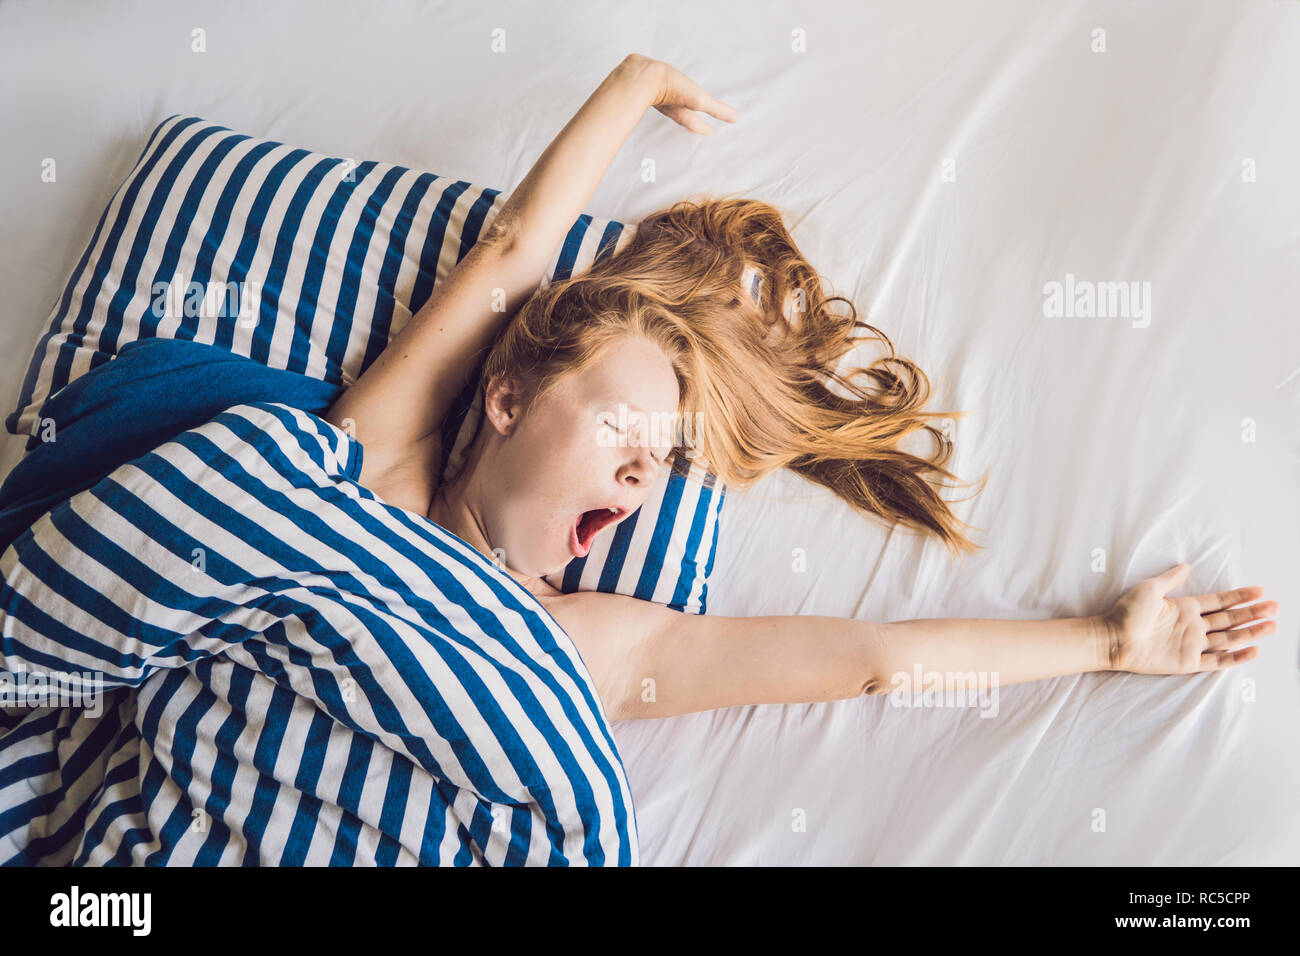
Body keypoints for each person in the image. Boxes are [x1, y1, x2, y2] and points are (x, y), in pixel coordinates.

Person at [324, 53, 1277, 721]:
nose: (639, 480)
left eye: (656, 460)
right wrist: (635, 82)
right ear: (506, 399)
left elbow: (877, 665)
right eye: (623, 432)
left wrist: (1111, 644)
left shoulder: (587, 649)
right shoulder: (365, 478)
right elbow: (508, 252)